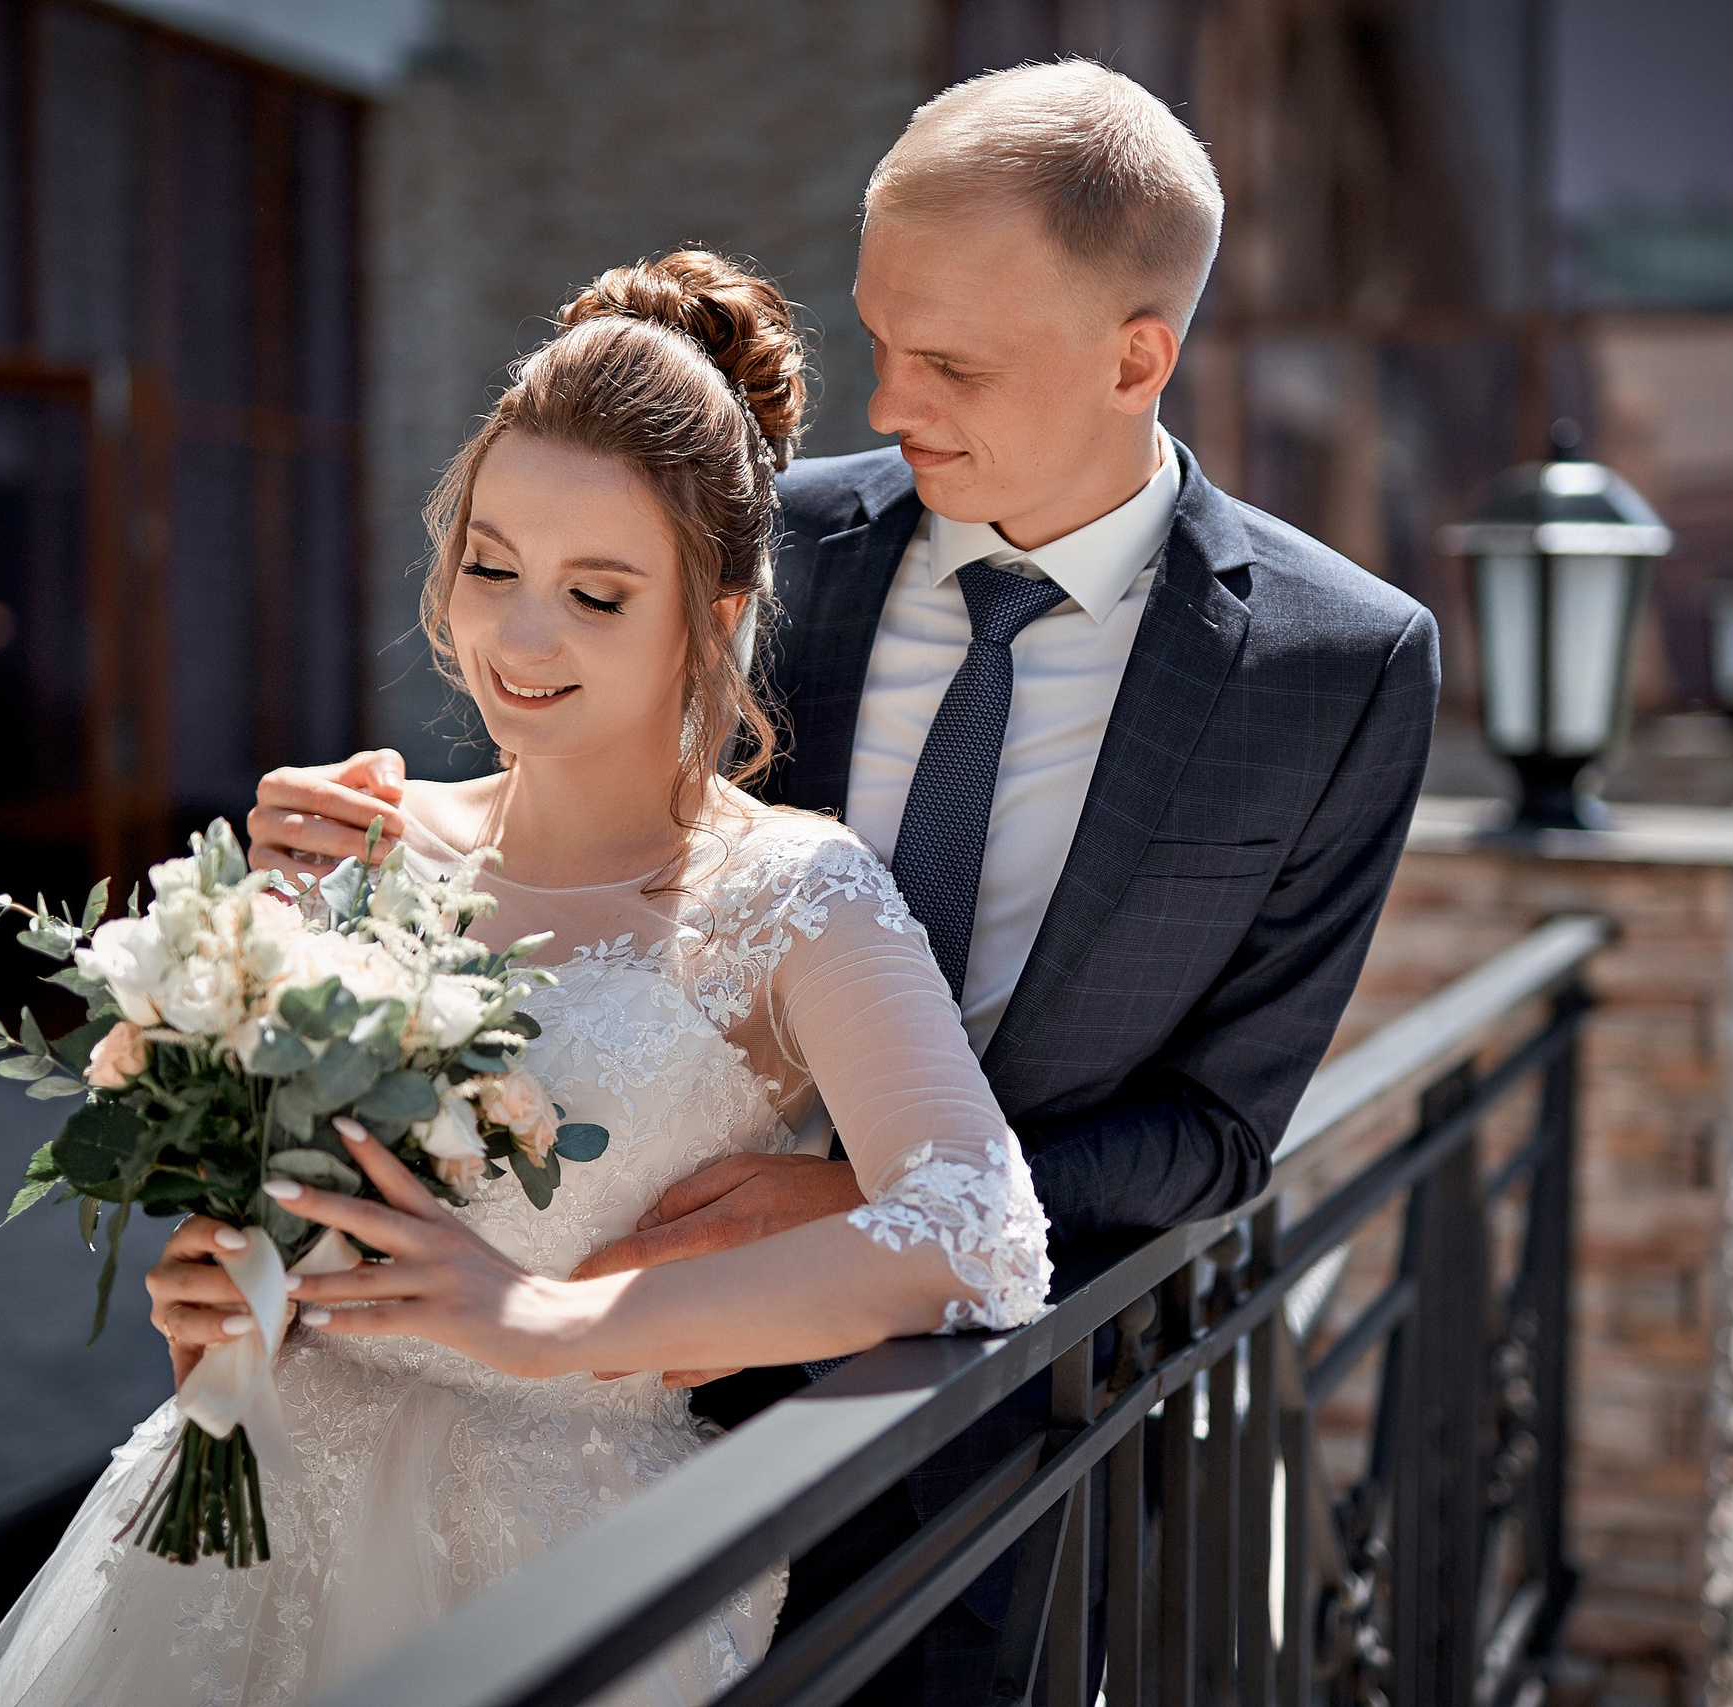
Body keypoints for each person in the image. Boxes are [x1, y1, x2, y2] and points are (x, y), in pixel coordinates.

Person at [247, 62, 1438, 1707]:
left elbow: (1223, 1129)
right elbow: (581, 808)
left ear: (1137, 356)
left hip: (1013, 1432)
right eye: (882, 337)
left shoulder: (1338, 667)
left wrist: (880, 1199)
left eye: (949, 362)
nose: (889, 401)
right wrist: (375, 841)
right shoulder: (759, 541)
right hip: (615, 1408)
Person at [0, 252, 1052, 1707]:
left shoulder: (795, 893)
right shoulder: (358, 844)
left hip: (557, 1555)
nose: (519, 641)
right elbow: (278, 1199)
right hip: (238, 1513)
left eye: (597, 596)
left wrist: (554, 1327)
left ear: (713, 618)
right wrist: (220, 1284)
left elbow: (984, 1236)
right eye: (490, 568)